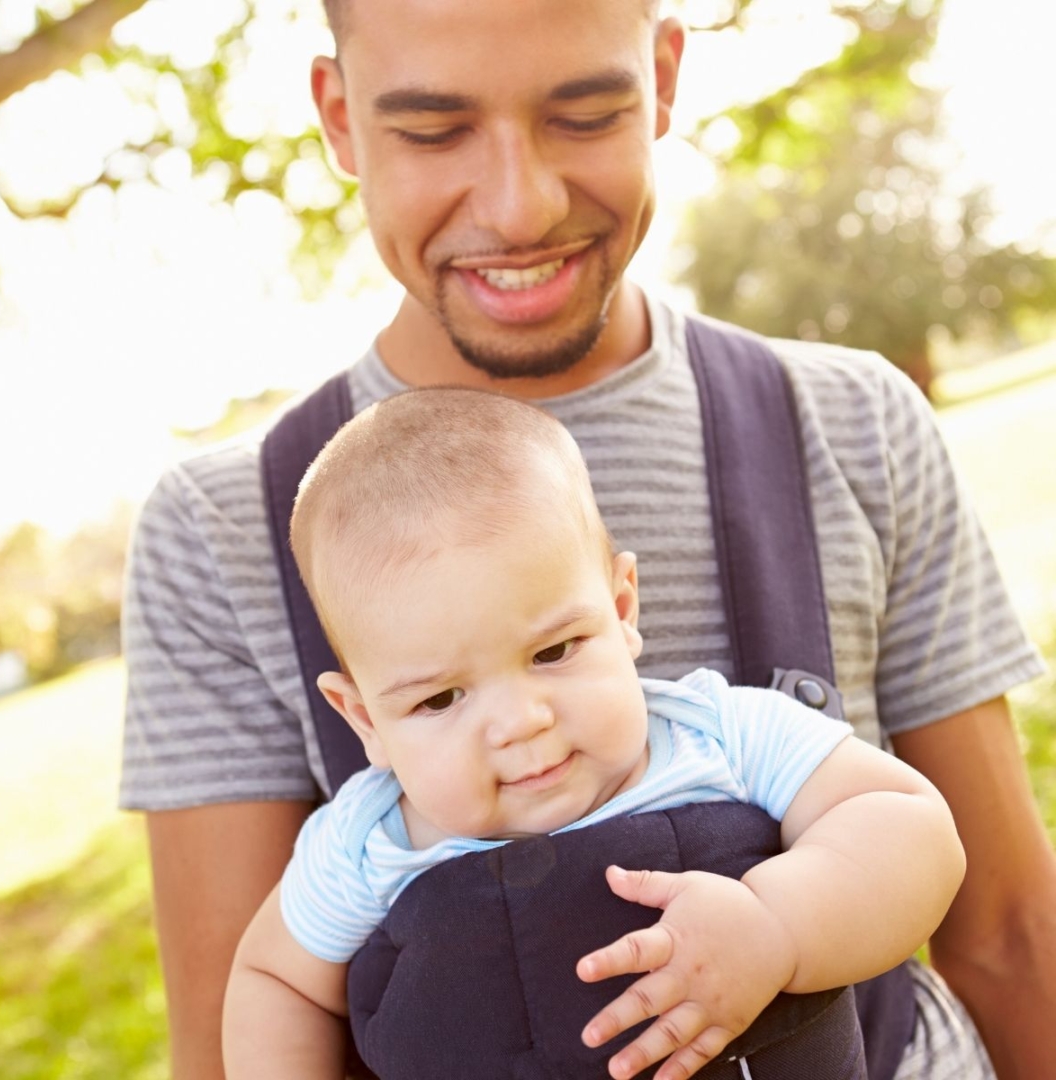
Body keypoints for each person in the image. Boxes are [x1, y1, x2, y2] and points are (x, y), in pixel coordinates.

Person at [120, 1, 1055, 1078]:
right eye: (434, 130)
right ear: (338, 115)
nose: (521, 206)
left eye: (586, 113)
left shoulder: (849, 428)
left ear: (662, 79)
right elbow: (243, 1016)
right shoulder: (217, 530)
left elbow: (1007, 929)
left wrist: (780, 927)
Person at [221, 386, 966, 1080]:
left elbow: (911, 826)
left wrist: (780, 924)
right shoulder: (365, 844)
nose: (521, 723)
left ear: (620, 608)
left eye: (552, 652)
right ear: (365, 720)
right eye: (442, 698)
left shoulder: (720, 737)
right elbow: (274, 980)